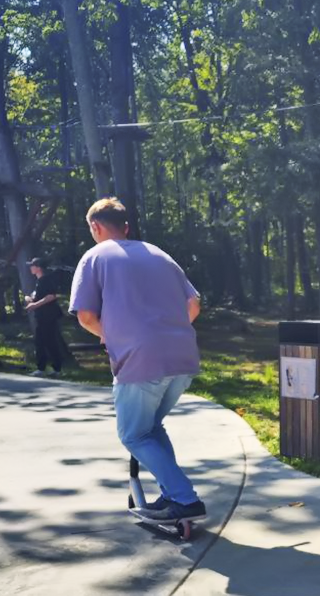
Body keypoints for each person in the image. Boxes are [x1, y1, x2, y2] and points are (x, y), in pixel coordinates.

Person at [69, 197, 206, 522]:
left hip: (141, 359)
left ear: (95, 227)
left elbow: (86, 316)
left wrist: (111, 335)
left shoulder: (95, 256)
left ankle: (185, 499)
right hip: (183, 356)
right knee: (150, 428)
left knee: (133, 435)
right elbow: (194, 304)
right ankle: (171, 494)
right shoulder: (160, 254)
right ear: (126, 227)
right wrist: (169, 331)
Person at [25, 256, 66, 377]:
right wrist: (30, 300)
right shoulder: (39, 281)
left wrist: (35, 305)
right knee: (41, 341)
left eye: (32, 266)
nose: (30, 268)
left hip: (48, 316)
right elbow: (39, 297)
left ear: (38, 268)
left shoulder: (46, 280)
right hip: (42, 316)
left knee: (48, 341)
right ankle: (44, 368)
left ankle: (54, 368)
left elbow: (51, 296)